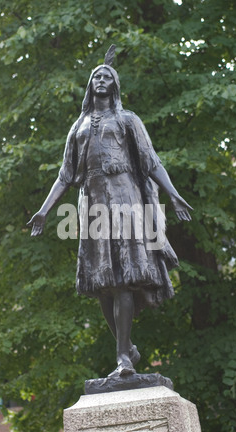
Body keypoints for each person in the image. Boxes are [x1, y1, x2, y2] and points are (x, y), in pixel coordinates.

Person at [27, 46, 192, 377]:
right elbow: (64, 175)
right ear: (90, 86)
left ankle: (122, 358)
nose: (101, 80)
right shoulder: (79, 126)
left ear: (114, 86)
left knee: (122, 282)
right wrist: (44, 211)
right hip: (92, 208)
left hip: (125, 200)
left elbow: (150, 160)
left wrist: (173, 195)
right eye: (96, 77)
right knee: (101, 282)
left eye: (106, 76)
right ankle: (125, 347)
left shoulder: (127, 119)